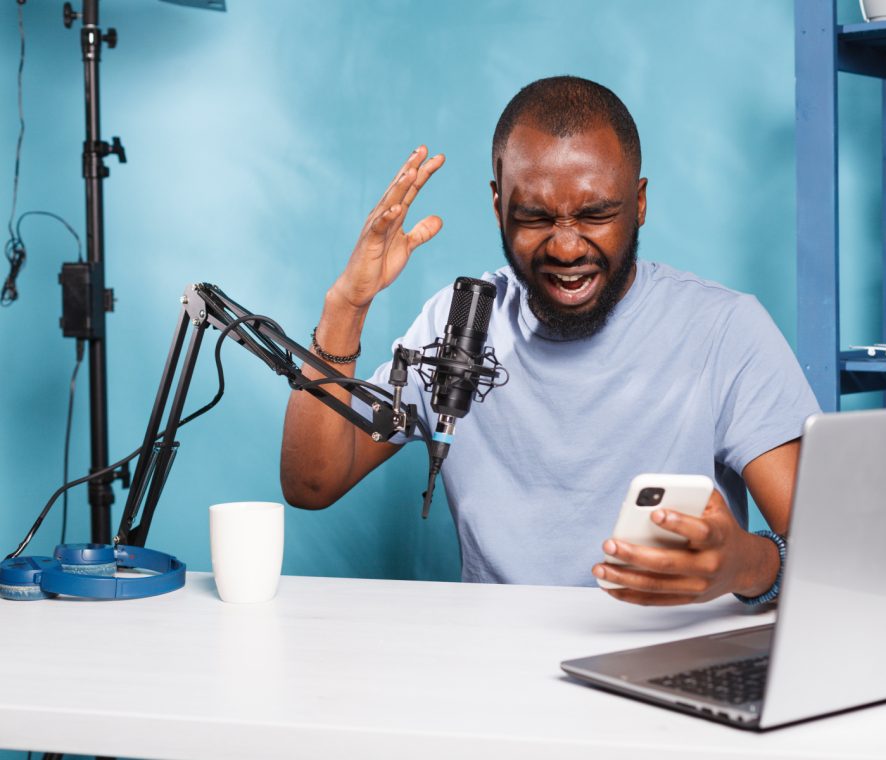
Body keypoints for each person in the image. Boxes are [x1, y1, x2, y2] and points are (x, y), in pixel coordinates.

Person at [281, 76, 819, 606]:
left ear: (639, 203)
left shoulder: (724, 330)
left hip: (662, 662)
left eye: (596, 214)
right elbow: (311, 484)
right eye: (534, 217)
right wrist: (346, 306)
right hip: (496, 666)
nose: (565, 248)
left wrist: (747, 564)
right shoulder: (462, 320)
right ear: (498, 207)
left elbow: (832, 560)